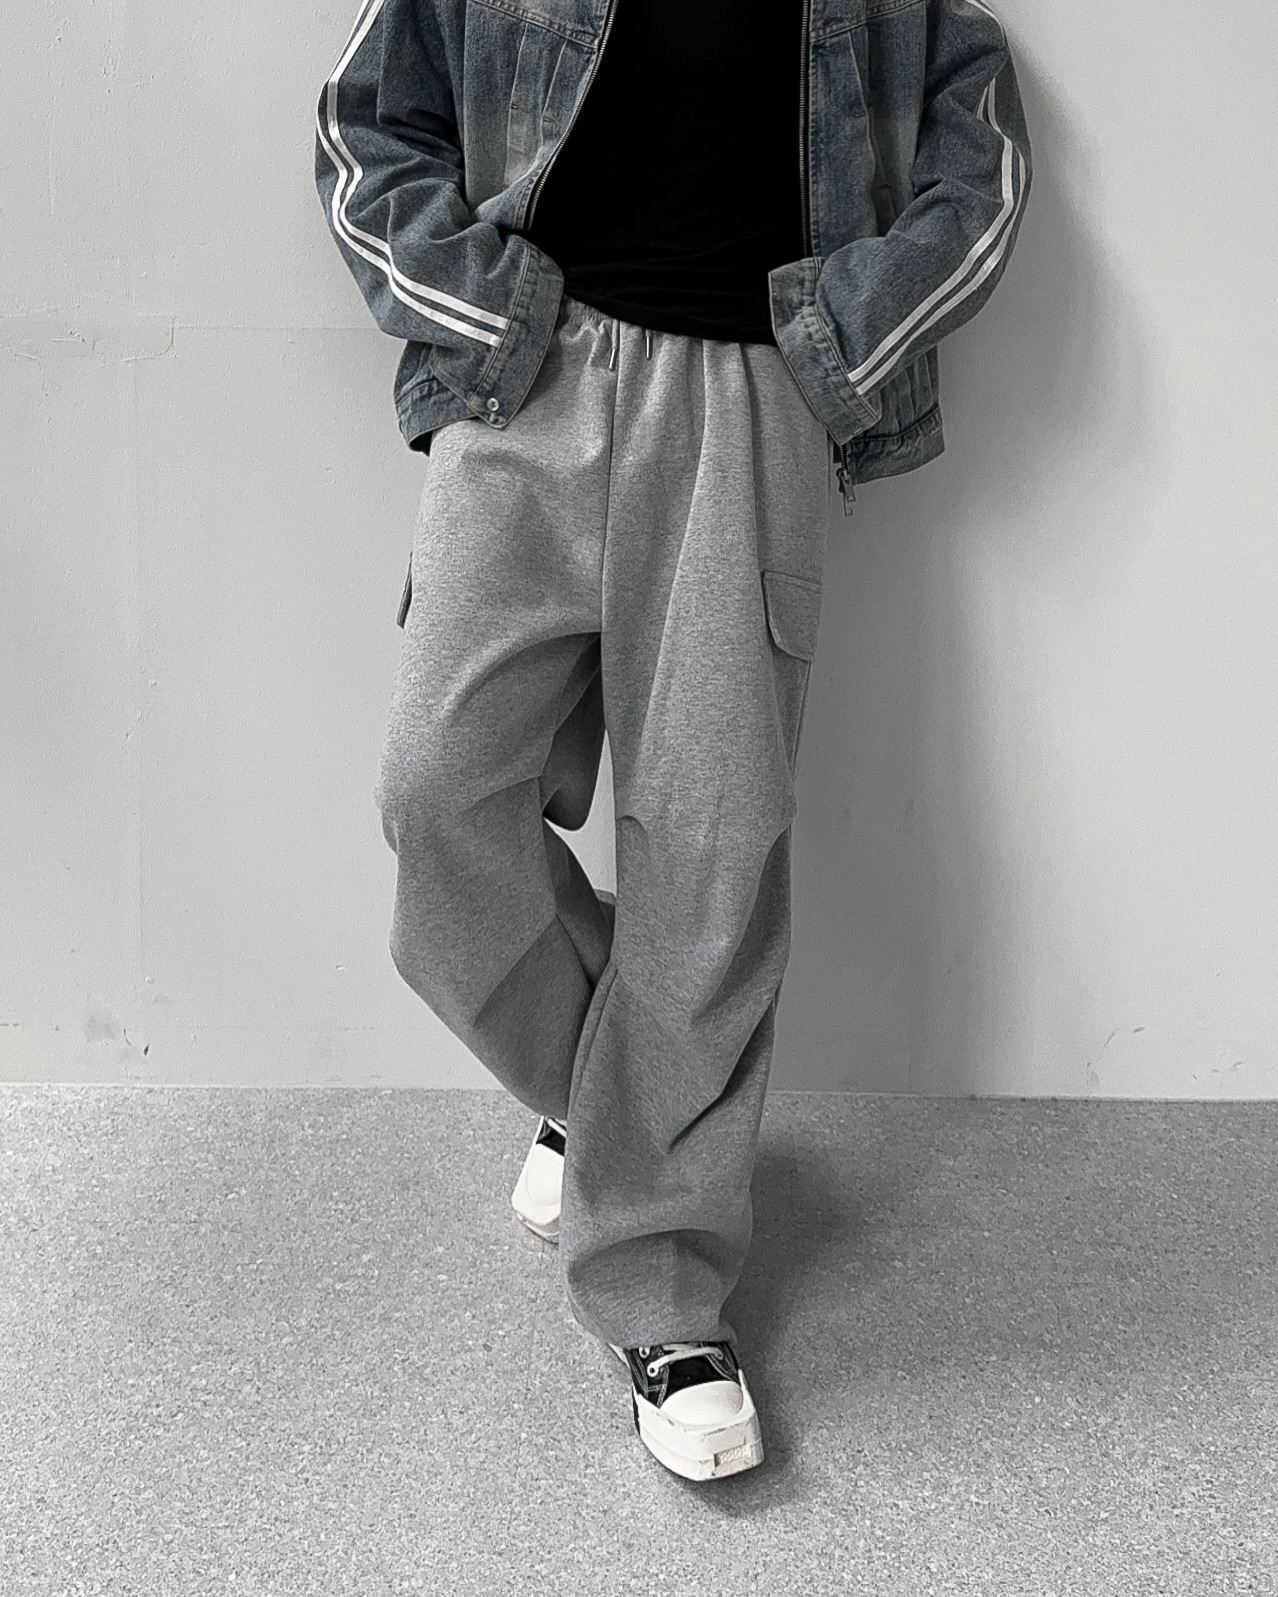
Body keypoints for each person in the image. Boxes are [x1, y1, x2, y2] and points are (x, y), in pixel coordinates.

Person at [314, 0, 1032, 1481]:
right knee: (439, 793)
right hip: (524, 385)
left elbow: (984, 161)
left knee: (709, 848)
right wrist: (479, 308)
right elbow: (362, 126)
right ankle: (610, 1105)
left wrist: (842, 333)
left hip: (747, 400)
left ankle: (661, 1288)